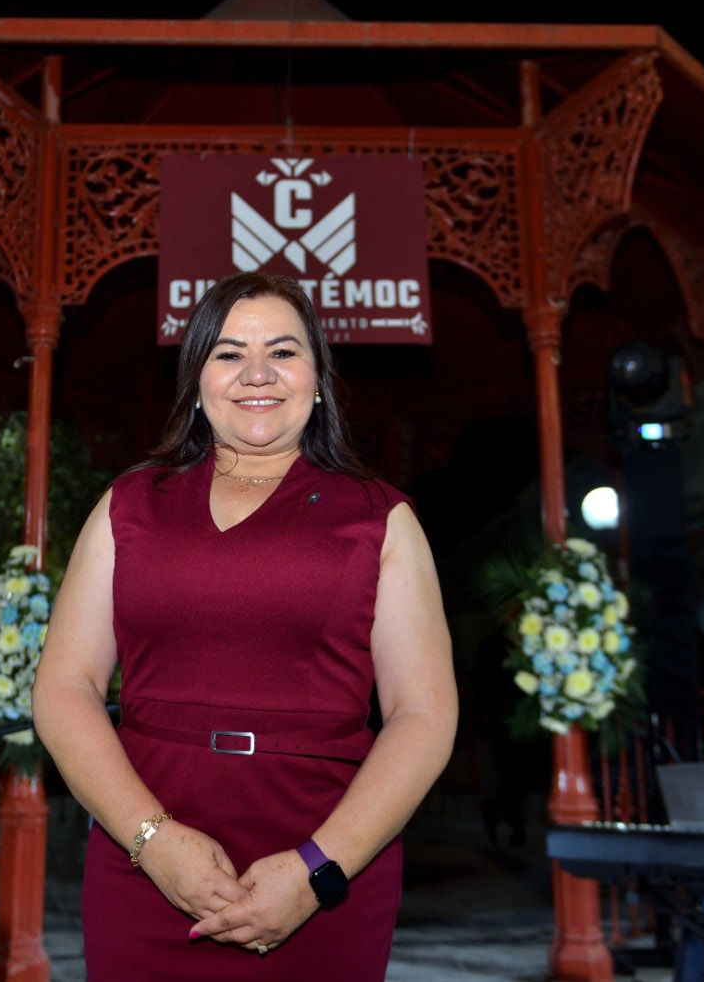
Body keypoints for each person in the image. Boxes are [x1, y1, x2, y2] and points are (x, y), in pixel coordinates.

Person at [33, 272, 458, 981]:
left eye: (283, 352)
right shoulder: (128, 505)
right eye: (229, 353)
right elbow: (63, 687)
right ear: (196, 380)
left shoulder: (380, 517)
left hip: (326, 873)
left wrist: (317, 870)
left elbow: (425, 713)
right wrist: (152, 840)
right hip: (144, 867)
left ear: (318, 379)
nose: (257, 373)